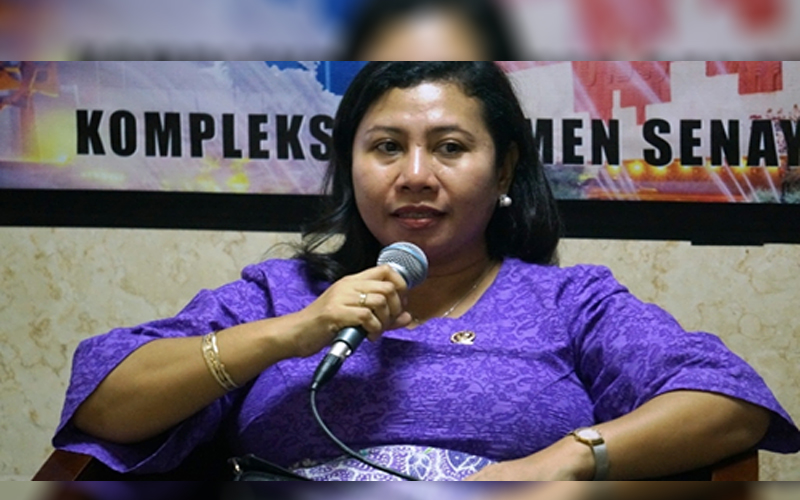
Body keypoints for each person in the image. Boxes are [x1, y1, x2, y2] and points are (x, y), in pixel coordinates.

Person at [54, 62, 800, 481]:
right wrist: (295, 332)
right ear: (350, 166)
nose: (414, 175)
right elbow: (104, 406)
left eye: (449, 147)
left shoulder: (568, 301)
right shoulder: (279, 295)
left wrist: (563, 463)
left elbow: (729, 402)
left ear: (503, 168)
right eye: (386, 147)